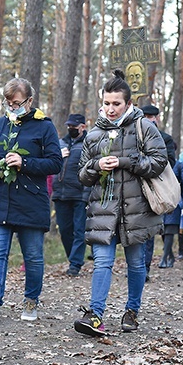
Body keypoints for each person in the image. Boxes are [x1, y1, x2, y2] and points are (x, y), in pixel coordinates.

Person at [73, 69, 167, 336]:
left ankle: (132, 311)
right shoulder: (92, 135)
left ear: (129, 104)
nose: (111, 109)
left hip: (137, 210)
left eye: (117, 104)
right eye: (107, 103)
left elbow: (159, 162)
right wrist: (95, 165)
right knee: (102, 262)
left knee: (136, 264)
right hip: (103, 211)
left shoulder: (144, 128)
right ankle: (95, 315)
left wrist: (126, 162)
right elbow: (82, 175)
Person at [0, 78, 62, 324]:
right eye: (8, 103)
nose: (12, 107)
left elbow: (55, 163)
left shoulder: (44, 127)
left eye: (17, 103)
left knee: (32, 257)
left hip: (31, 201)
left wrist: (25, 162)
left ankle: (31, 300)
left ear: (29, 101)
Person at [139, 104, 176, 279]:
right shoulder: (134, 135)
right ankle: (135, 266)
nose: (148, 119)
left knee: (149, 230)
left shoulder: (166, 139)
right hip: (134, 188)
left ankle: (144, 268)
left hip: (155, 188)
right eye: (145, 116)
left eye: (151, 116)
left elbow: (169, 164)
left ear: (157, 118)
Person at [52, 113, 90, 277]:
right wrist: (59, 156)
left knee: (79, 230)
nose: (71, 129)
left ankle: (75, 264)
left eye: (74, 126)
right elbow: (50, 162)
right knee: (65, 230)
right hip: (60, 193)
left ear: (83, 127)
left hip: (80, 194)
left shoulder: (89, 144)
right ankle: (72, 258)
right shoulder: (61, 143)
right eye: (69, 126)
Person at [159, 156, 183, 268]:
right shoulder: (159, 163)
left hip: (175, 202)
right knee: (163, 231)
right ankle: (170, 256)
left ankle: (164, 258)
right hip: (161, 201)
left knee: (170, 230)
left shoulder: (179, 166)